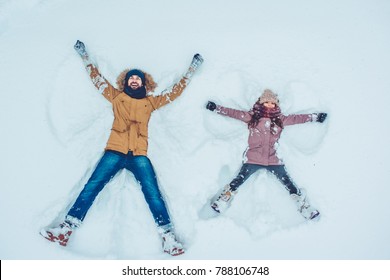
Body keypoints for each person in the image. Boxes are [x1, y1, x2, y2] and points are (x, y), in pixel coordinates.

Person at [40, 40, 204, 256]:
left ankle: (168, 238)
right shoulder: (117, 97)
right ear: (125, 82)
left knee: (153, 193)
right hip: (114, 152)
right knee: (92, 186)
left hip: (138, 155)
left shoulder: (151, 103)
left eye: (138, 78)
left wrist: (191, 71)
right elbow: (97, 80)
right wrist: (85, 58)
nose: (134, 80)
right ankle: (66, 229)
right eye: (131, 78)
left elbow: (173, 93)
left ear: (145, 83)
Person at [205, 89, 327, 220]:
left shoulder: (280, 119)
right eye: (266, 102)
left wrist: (315, 117)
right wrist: (216, 108)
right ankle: (223, 199)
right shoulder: (252, 117)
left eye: (272, 102)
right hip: (253, 159)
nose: (269, 104)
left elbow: (297, 119)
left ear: (276, 104)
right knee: (239, 180)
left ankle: (303, 206)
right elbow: (234, 113)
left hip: (273, 160)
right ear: (261, 103)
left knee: (288, 182)